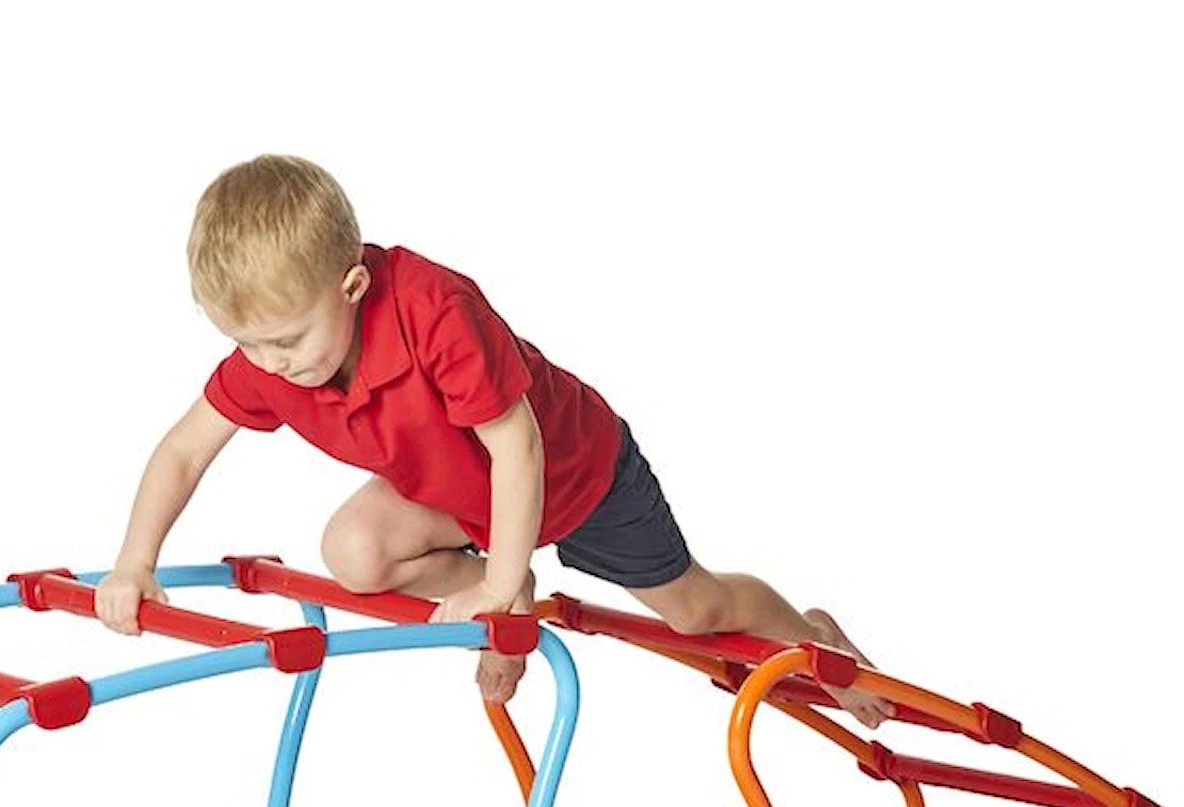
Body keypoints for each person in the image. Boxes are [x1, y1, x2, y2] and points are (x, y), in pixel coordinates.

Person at [96, 154, 890, 725]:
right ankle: (505, 577)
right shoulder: (270, 359)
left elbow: (519, 447)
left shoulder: (434, 311)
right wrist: (136, 561)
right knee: (355, 552)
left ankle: (814, 637)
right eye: (246, 343)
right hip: (456, 495)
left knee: (695, 610)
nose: (271, 363)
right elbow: (184, 450)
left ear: (353, 286)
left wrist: (502, 591)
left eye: (287, 339)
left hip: (576, 474)